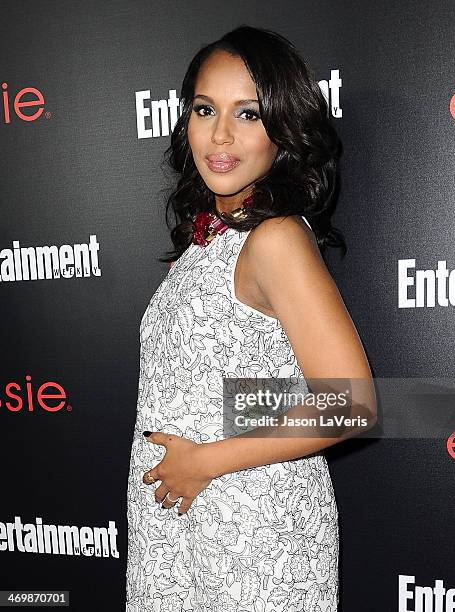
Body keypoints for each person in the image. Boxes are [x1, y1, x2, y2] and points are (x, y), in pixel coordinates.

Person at [126, 25, 376, 612]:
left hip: (255, 537)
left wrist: (203, 462)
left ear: (282, 133)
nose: (219, 134)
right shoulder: (200, 245)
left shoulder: (276, 239)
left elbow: (352, 402)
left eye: (248, 114)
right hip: (177, 528)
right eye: (205, 109)